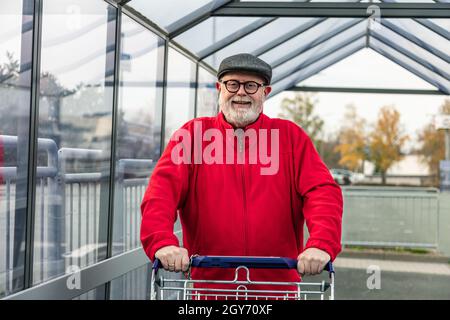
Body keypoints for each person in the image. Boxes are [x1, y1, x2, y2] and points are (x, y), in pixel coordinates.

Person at [140, 53, 343, 290]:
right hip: (210, 287)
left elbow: (322, 192)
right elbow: (161, 192)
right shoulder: (192, 136)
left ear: (265, 92)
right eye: (232, 84)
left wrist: (320, 243)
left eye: (251, 85)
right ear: (219, 89)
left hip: (278, 288)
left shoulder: (290, 137)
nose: (241, 92)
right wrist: (162, 241)